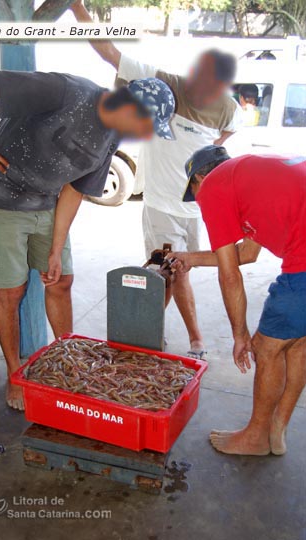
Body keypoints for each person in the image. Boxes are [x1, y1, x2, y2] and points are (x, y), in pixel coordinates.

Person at [0, 70, 175, 410]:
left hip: (45, 203)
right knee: (12, 290)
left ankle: (69, 361)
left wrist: (56, 249)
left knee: (60, 279)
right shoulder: (68, 92)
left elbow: (74, 189)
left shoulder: (112, 136)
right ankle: (16, 375)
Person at [70, 0, 243, 357]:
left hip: (198, 209)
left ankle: (144, 332)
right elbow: (109, 52)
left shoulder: (228, 108)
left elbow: (222, 142)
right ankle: (190, 338)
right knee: (170, 271)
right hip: (161, 205)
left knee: (175, 272)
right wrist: (76, 8)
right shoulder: (164, 83)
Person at [169, 145, 306, 456]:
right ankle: (276, 430)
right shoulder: (253, 175)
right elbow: (246, 253)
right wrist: (190, 258)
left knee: (267, 347)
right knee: (297, 344)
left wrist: (241, 335)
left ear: (200, 177)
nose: (199, 199)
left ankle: (256, 436)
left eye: (194, 189)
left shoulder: (214, 185)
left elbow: (230, 275)